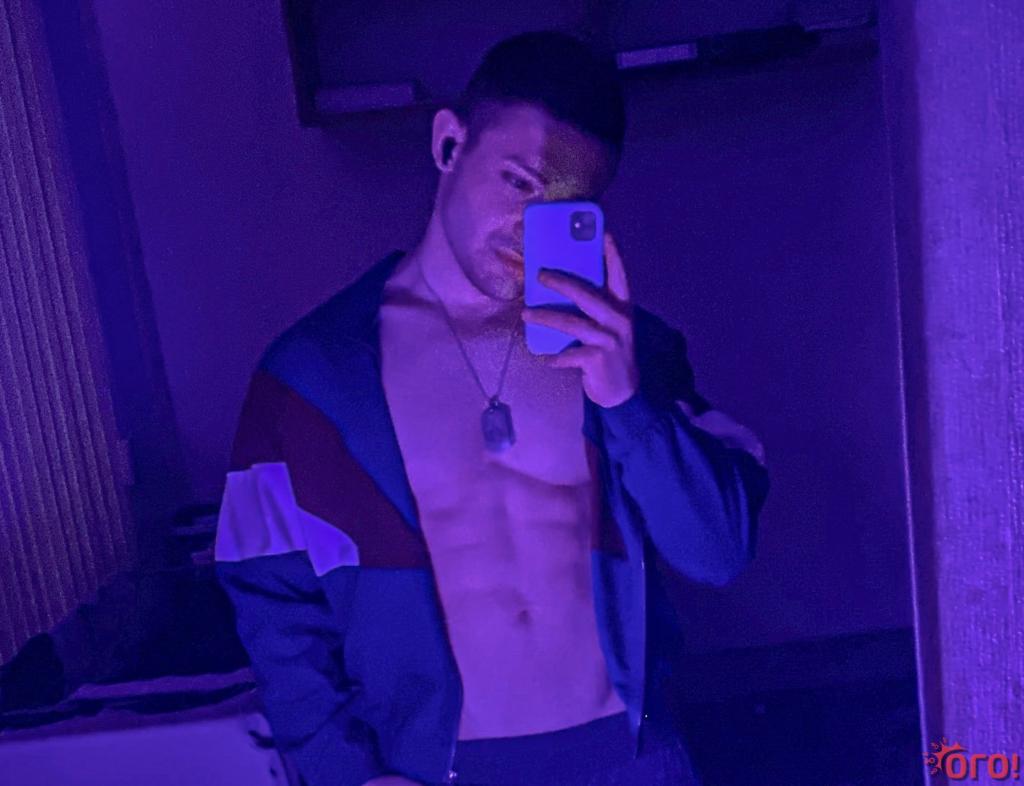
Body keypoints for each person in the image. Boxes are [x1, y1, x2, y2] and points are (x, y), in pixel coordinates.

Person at [214, 30, 769, 786]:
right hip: (434, 771)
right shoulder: (311, 376)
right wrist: (345, 773)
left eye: (569, 206)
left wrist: (626, 399)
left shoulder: (629, 351)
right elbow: (270, 601)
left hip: (632, 763)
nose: (531, 225)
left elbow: (719, 552)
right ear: (449, 144)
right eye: (518, 182)